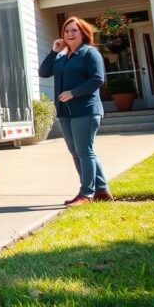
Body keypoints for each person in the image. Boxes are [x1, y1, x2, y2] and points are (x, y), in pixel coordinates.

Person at [38, 16, 112, 206]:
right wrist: (54, 52)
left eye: (74, 30)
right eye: (66, 31)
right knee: (77, 152)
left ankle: (86, 194)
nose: (69, 34)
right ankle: (102, 191)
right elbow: (44, 72)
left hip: (86, 110)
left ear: (83, 33)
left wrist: (73, 93)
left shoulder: (90, 53)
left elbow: (98, 80)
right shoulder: (62, 56)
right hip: (65, 112)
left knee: (84, 152)